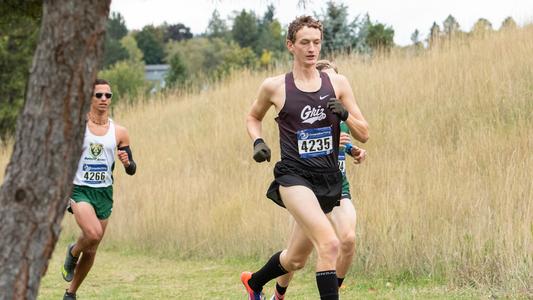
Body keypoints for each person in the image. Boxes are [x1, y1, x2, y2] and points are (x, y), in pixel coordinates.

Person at [242, 16, 369, 300]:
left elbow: (365, 133)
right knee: (330, 243)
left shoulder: (338, 83)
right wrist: (258, 141)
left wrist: (345, 115)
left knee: (295, 260)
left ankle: (254, 282)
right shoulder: (275, 87)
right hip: (294, 177)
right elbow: (253, 117)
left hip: (328, 180)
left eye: (316, 42)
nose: (312, 49)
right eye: (304, 43)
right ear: (291, 45)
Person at [270, 60, 367, 300]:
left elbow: (358, 136)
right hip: (306, 188)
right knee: (295, 258)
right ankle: (277, 293)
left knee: (346, 239)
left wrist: (353, 150)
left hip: (337, 189)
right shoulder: (305, 114)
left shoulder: (341, 116)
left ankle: (335, 290)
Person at [61, 79, 137, 300]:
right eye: (99, 95)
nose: (104, 99)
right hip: (79, 189)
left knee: (93, 247)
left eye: (108, 95)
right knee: (92, 234)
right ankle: (73, 251)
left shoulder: (120, 132)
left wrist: (126, 163)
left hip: (104, 192)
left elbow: (132, 168)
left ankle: (70, 293)